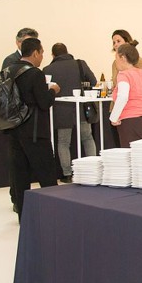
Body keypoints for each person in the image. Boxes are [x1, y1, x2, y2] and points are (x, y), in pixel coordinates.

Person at [6, 38, 60, 221]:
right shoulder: (35, 74)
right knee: (47, 175)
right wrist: (53, 90)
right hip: (35, 131)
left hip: (13, 130)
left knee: (20, 176)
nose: (42, 57)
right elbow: (43, 102)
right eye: (42, 53)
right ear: (36, 53)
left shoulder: (7, 71)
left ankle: (24, 217)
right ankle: (53, 214)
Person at [43, 43, 98, 183]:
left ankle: (67, 174)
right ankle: (93, 168)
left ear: (53, 55)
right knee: (87, 138)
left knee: (63, 142)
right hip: (81, 109)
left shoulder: (47, 69)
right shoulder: (80, 64)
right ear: (67, 52)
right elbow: (93, 81)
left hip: (61, 111)